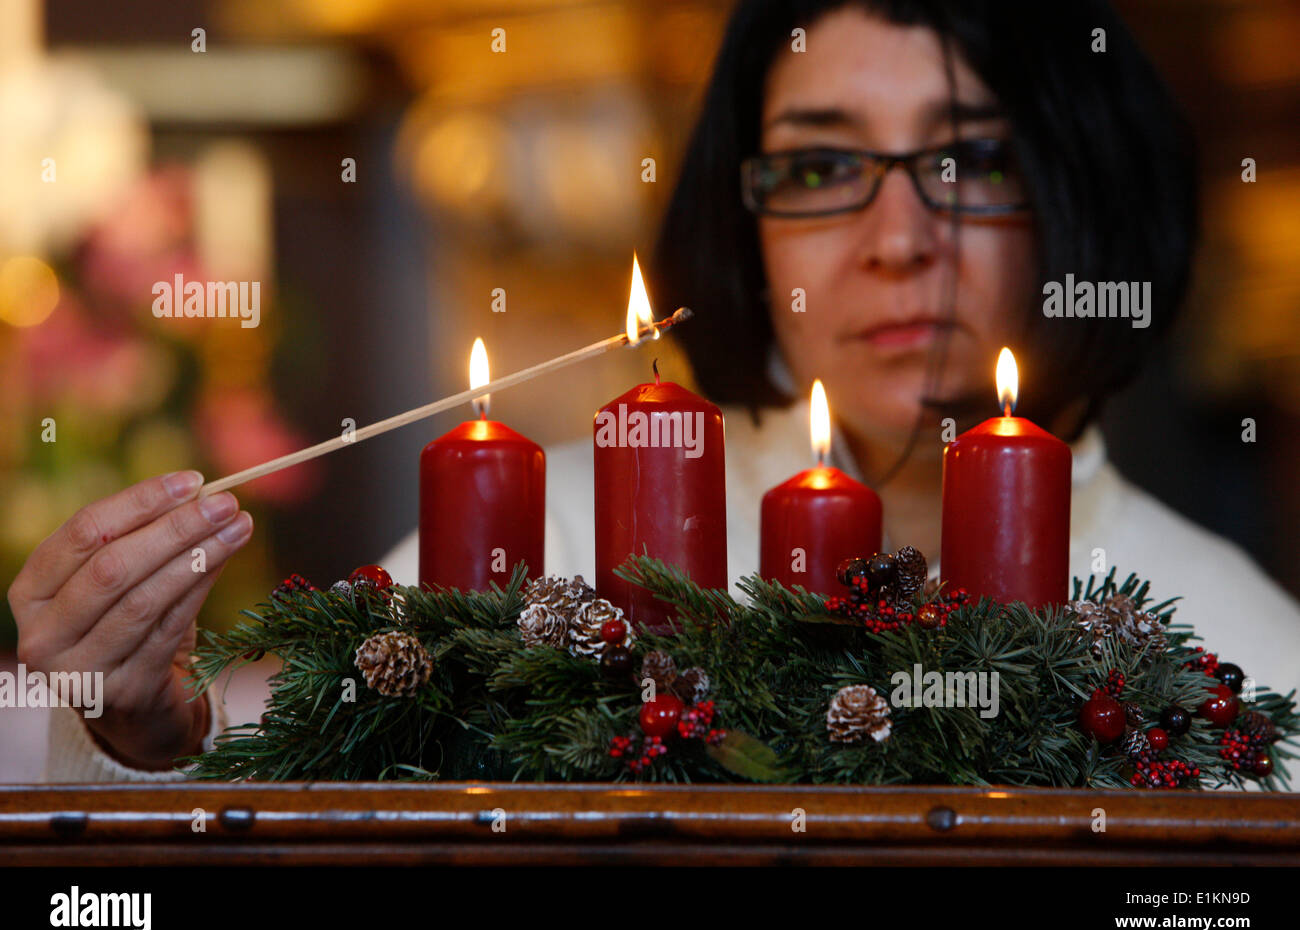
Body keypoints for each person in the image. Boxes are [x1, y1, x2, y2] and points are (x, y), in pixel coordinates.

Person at [13, 0, 1300, 783]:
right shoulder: (550, 540)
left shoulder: (1241, 649)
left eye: (969, 159)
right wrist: (132, 721)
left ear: (1086, 185)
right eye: (816, 168)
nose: (899, 237)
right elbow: (252, 760)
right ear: (742, 228)